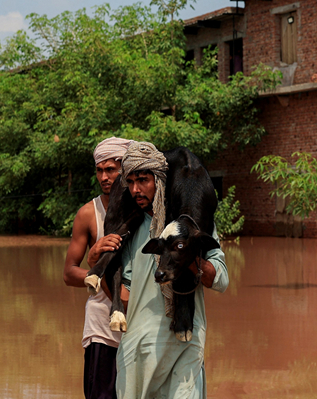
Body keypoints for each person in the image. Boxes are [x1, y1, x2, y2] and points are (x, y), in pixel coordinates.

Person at [115, 141, 229, 399]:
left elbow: (221, 280)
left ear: (160, 180)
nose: (135, 189)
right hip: (139, 350)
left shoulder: (193, 224)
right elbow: (123, 289)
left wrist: (185, 253)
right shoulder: (130, 227)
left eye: (143, 180)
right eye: (130, 182)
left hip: (184, 346)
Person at [63, 136, 134, 399]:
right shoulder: (87, 214)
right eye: (100, 170)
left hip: (138, 321)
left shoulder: (142, 210)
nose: (104, 177)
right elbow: (69, 272)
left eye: (111, 170)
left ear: (124, 170)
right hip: (101, 327)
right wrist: (94, 265)